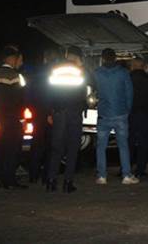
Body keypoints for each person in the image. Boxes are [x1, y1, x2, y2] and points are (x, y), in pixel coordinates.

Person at [45, 46, 88, 193]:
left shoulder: (55, 69)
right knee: (72, 148)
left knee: (56, 148)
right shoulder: (79, 71)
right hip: (74, 112)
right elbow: (85, 92)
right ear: (78, 57)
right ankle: (68, 182)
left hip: (59, 112)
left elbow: (50, 92)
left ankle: (51, 181)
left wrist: (51, 112)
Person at [94, 48, 136, 185]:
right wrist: (127, 109)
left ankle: (102, 176)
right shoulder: (123, 73)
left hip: (103, 113)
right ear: (115, 57)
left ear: (103, 58)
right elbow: (129, 93)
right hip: (120, 113)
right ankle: (126, 175)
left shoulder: (97, 73)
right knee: (123, 145)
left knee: (101, 146)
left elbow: (94, 91)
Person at [0, 47, 28, 189]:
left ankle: (2, 178)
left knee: (2, 147)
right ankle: (11, 180)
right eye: (20, 59)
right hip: (13, 118)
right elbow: (20, 100)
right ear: (12, 59)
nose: (21, 63)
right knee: (13, 149)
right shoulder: (14, 76)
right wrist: (22, 119)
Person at [27, 47, 61, 184]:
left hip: (37, 112)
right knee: (50, 146)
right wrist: (50, 112)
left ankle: (33, 174)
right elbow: (52, 95)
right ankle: (47, 175)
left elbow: (30, 93)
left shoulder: (36, 72)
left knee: (37, 143)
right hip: (49, 112)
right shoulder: (55, 73)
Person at [128, 58, 148, 179]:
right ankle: (140, 169)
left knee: (128, 142)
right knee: (144, 143)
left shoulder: (127, 79)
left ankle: (126, 168)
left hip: (129, 115)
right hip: (145, 115)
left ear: (132, 66)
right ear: (144, 67)